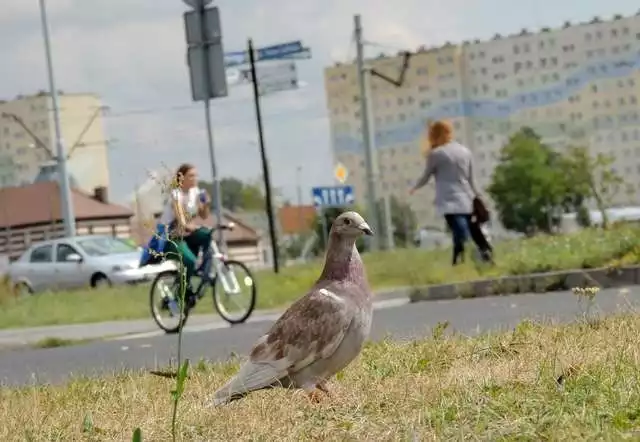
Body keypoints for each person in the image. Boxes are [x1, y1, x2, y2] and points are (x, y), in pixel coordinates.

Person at [408, 120, 493, 265]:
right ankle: (484, 255)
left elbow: (426, 176)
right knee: (474, 230)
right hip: (468, 199)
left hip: (449, 201)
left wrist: (415, 187)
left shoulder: (435, 154)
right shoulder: (465, 151)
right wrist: (479, 196)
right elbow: (472, 179)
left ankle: (460, 261)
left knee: (460, 232)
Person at [158, 163, 213, 304]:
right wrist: (189, 226)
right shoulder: (176, 194)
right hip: (170, 238)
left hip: (186, 235)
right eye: (191, 175)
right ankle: (178, 297)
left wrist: (206, 204)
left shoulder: (195, 192)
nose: (195, 178)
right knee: (189, 261)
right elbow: (180, 219)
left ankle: (202, 270)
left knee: (207, 234)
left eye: (196, 175)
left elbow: (204, 215)